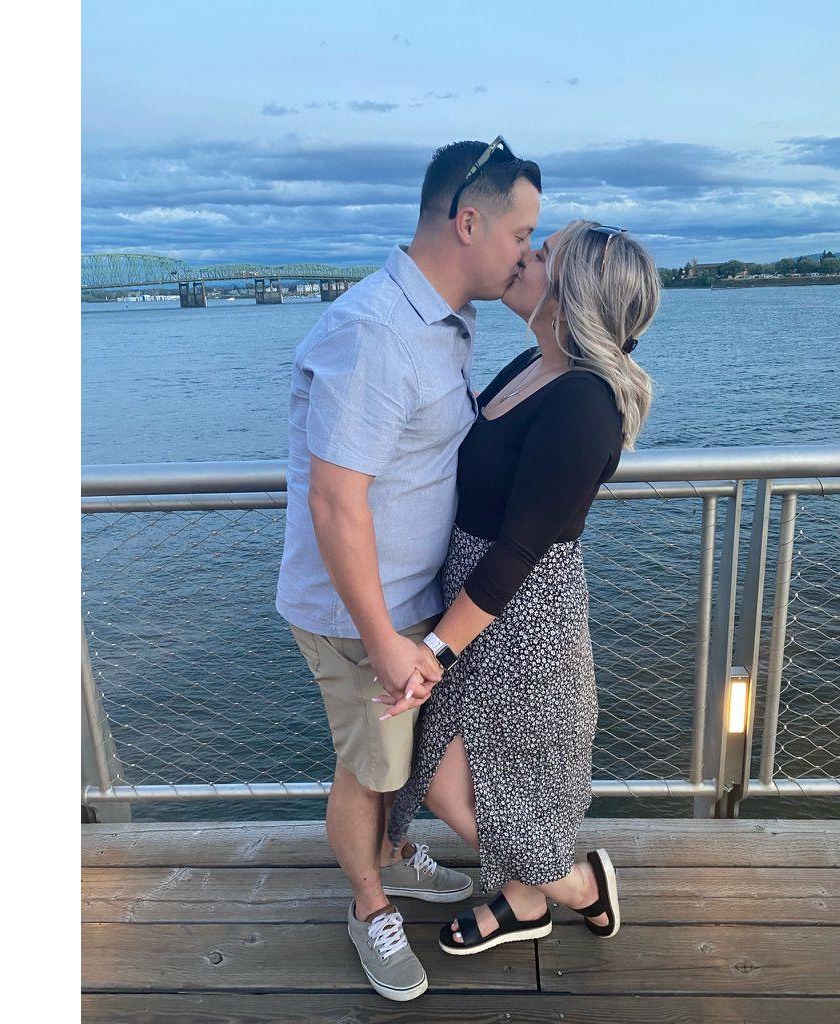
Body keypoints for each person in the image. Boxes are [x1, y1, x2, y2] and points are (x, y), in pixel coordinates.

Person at [275, 138, 542, 1001]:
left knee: (402, 756)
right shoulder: (375, 332)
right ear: (468, 222)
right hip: (364, 615)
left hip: (411, 601)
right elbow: (335, 502)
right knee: (371, 768)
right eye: (520, 235)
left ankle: (392, 853)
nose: (526, 256)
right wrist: (385, 639)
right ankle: (369, 906)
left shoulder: (444, 322)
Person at [383, 219, 660, 956]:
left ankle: (574, 888)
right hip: (477, 600)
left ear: (569, 295)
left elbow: (518, 551)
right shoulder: (532, 364)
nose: (521, 259)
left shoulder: (585, 405)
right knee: (465, 771)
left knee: (459, 778)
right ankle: (531, 897)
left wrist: (434, 652)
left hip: (523, 616)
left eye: (539, 256)